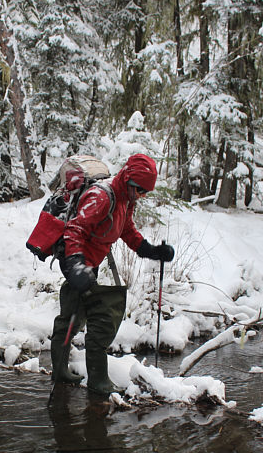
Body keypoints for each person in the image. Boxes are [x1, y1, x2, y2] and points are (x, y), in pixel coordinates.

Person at [50, 153, 175, 395]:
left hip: (90, 262)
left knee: (83, 314)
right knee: (77, 315)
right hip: (74, 258)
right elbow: (75, 230)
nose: (142, 196)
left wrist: (151, 250)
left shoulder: (126, 200)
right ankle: (75, 375)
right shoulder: (101, 197)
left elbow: (127, 230)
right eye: (140, 190)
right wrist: (76, 265)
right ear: (128, 179)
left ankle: (86, 376)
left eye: (145, 192)